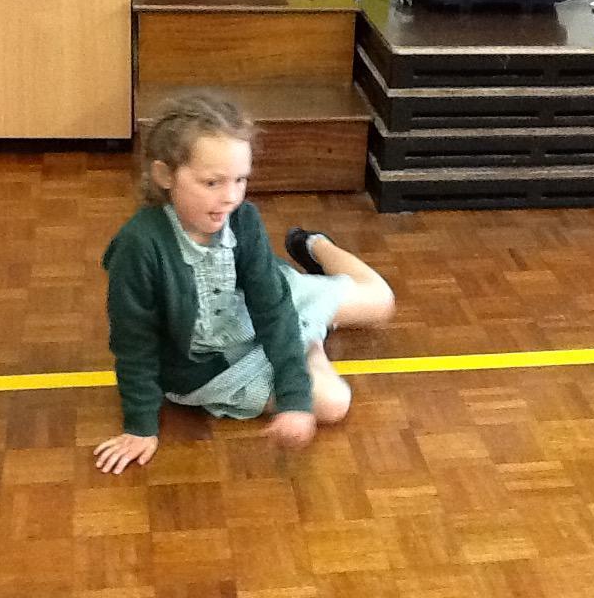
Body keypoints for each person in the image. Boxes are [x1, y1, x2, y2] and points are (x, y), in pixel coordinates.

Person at [94, 94, 395, 474]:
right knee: (332, 403)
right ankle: (310, 341)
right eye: (212, 182)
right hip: (215, 368)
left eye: (240, 180)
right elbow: (134, 345)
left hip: (261, 312)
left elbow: (272, 308)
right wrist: (140, 426)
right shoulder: (138, 247)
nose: (232, 197)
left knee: (382, 301)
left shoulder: (243, 219)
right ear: (165, 176)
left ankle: (314, 245)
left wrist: (292, 396)